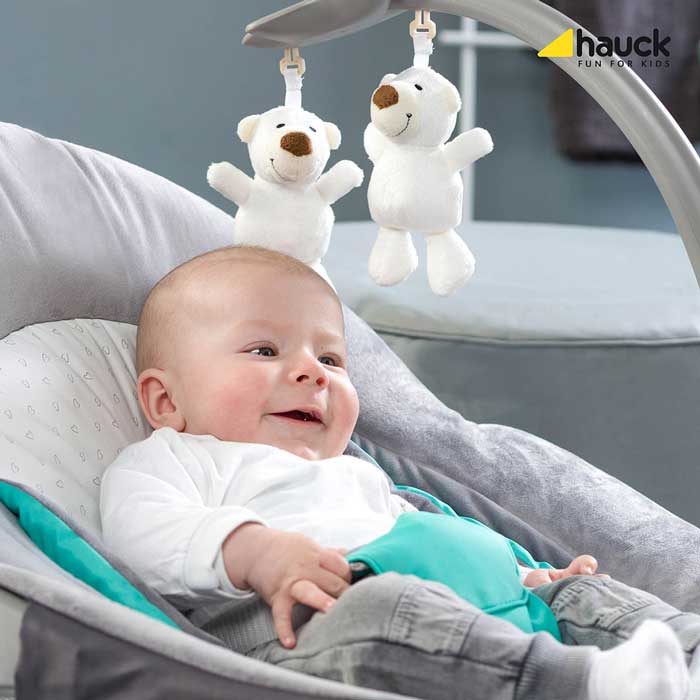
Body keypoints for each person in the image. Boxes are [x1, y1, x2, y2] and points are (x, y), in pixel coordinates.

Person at [100, 245, 698, 700]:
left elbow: (427, 542)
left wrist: (522, 576)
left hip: (479, 608)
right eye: (264, 350)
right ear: (165, 402)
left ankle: (682, 654)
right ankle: (579, 685)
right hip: (312, 632)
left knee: (581, 593)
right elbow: (141, 533)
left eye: (330, 358)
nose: (314, 373)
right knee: (380, 611)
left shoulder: (356, 475)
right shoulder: (176, 459)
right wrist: (254, 552)